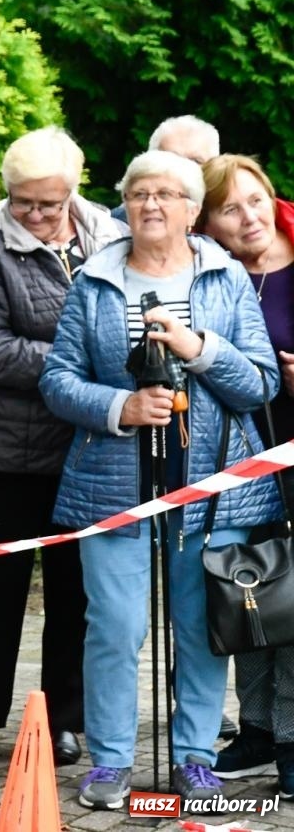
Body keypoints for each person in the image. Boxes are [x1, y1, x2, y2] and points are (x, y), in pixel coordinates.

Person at [41, 149, 281, 810]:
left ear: (192, 209)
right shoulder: (93, 279)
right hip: (112, 479)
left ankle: (196, 758)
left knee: (202, 625)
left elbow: (261, 379)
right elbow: (57, 380)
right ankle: (112, 762)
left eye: (167, 194)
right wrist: (120, 407)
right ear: (126, 203)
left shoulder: (226, 278)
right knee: (115, 626)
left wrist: (197, 349)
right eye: (139, 193)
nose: (151, 205)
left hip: (212, 485)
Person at [0, 129, 124, 767]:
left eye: (50, 204)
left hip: (87, 446)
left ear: (74, 191)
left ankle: (66, 718)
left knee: (78, 592)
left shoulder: (107, 234)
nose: (38, 216)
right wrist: (83, 364)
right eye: (24, 202)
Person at [198, 154, 294, 796]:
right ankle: (256, 729)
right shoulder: (216, 275)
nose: (249, 216)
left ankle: (290, 738)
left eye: (255, 199)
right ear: (208, 223)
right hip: (242, 461)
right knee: (253, 592)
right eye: (231, 208)